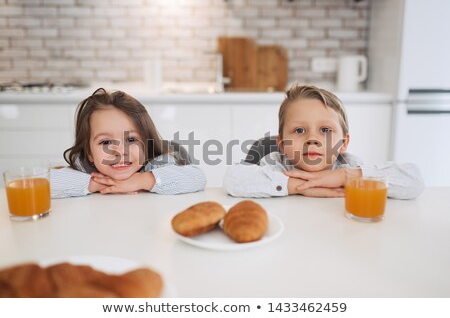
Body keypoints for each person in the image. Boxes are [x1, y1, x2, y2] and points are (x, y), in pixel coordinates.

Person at [223, 85, 424, 199]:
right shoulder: (275, 164)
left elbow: (414, 181)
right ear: (282, 145)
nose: (312, 139)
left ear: (343, 143)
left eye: (325, 130)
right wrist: (295, 184)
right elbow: (233, 179)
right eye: (299, 130)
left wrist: (345, 177)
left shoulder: (350, 166)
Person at [51, 88, 206, 198]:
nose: (120, 151)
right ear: (90, 153)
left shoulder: (158, 165)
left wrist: (141, 180)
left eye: (131, 140)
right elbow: (41, 183)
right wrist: (96, 184)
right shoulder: (85, 169)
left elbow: (198, 178)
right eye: (106, 142)